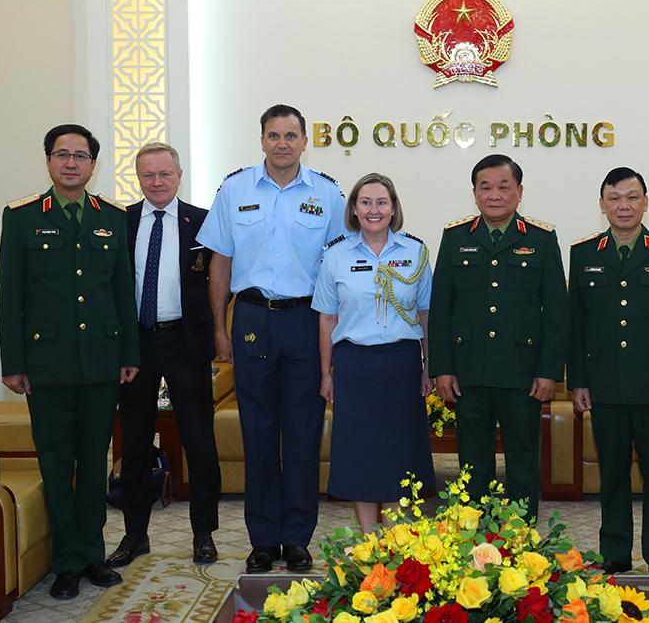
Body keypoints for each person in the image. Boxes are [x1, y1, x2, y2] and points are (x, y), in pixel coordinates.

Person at [197, 104, 346, 573]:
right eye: (274, 136)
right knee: (258, 432)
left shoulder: (328, 193)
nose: (282, 144)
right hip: (252, 318)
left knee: (303, 433)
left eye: (291, 136)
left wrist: (336, 338)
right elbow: (220, 264)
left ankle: (297, 539)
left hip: (306, 321)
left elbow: (340, 266)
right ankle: (262, 539)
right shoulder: (234, 189)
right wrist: (219, 328)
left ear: (305, 141)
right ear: (261, 140)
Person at [0, 124, 140, 600]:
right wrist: (14, 363)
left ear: (93, 165)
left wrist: (128, 353)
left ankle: (92, 554)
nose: (71, 163)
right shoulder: (21, 217)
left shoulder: (112, 217)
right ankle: (67, 562)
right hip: (47, 364)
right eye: (63, 154)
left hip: (101, 361)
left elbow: (122, 291)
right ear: (49, 161)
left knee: (95, 462)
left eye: (81, 156)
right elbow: (10, 295)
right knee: (57, 464)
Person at [567, 166, 649, 577]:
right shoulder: (584, 253)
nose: (624, 205)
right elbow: (576, 324)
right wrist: (578, 381)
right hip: (604, 385)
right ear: (602, 205)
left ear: (645, 202)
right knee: (613, 477)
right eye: (615, 198)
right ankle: (615, 553)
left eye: (632, 197)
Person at [429, 154, 567, 518]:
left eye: (504, 187)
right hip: (469, 372)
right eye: (485, 187)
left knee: (522, 464)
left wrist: (549, 371)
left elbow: (556, 312)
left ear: (519, 192)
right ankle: (473, 539)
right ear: (474, 193)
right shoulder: (456, 237)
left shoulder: (541, 239)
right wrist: (442, 368)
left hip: (523, 373)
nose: (494, 195)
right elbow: (441, 308)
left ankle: (521, 539)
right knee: (472, 466)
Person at [105, 142, 221, 569]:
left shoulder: (203, 223)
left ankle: (203, 533)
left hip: (186, 342)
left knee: (199, 440)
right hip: (136, 344)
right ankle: (135, 534)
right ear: (138, 178)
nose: (157, 182)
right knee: (134, 443)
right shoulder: (119, 222)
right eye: (148, 175)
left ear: (179, 175)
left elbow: (220, 281)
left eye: (164, 174)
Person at [312, 173, 436, 532]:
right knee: (361, 455)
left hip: (402, 364)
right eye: (365, 202)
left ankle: (395, 538)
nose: (374, 210)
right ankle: (369, 541)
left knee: (399, 454)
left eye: (382, 202)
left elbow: (426, 314)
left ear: (393, 208)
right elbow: (327, 318)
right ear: (354, 208)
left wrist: (429, 366)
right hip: (355, 365)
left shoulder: (415, 252)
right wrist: (326, 373)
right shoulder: (336, 256)